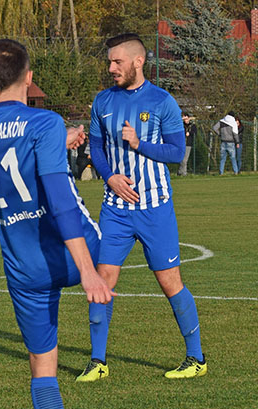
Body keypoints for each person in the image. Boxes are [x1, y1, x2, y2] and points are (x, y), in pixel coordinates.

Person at [0, 39, 114, 409]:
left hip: (23, 267)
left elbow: (14, 157)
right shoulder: (45, 120)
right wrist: (88, 269)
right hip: (71, 253)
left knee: (43, 372)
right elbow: (60, 199)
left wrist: (56, 141)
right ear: (30, 79)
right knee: (118, 238)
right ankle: (99, 355)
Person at [79, 33, 206, 383]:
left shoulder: (163, 102)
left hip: (155, 208)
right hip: (115, 209)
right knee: (102, 281)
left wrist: (140, 143)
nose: (111, 68)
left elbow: (176, 152)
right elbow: (96, 146)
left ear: (138, 61)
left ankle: (196, 357)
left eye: (117, 61)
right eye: (109, 61)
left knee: (169, 282)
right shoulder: (102, 101)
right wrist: (110, 178)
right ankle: (98, 361)